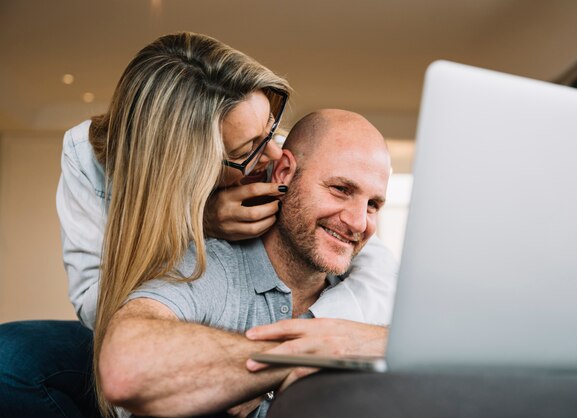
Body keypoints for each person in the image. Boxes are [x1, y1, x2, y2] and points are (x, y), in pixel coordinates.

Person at [0, 33, 396, 417]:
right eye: (248, 150)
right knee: (12, 359)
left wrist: (318, 339)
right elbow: (100, 305)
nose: (275, 155)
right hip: (140, 325)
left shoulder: (266, 145)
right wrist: (196, 222)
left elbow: (362, 251)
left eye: (271, 130)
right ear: (192, 167)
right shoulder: (87, 162)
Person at [98, 109, 392, 418]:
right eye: (341, 189)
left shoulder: (371, 291)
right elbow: (126, 367)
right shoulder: (211, 267)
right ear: (283, 174)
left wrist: (375, 341)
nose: (358, 223)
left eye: (373, 205)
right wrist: (306, 354)